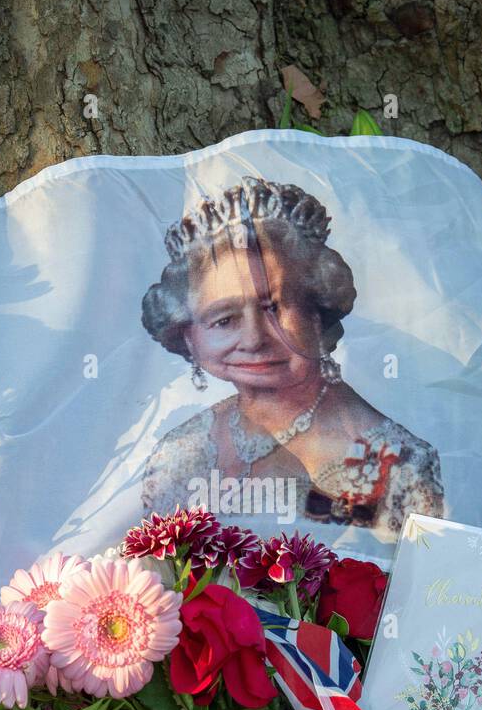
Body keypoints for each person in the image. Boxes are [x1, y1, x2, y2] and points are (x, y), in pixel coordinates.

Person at [140, 176, 443, 537]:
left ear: (318, 311)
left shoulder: (399, 464)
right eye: (224, 319)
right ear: (190, 338)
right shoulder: (177, 455)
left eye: (274, 309)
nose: (253, 340)